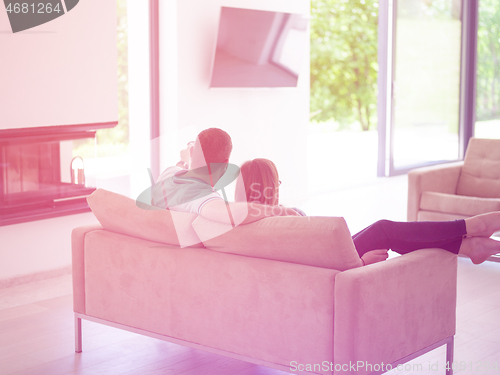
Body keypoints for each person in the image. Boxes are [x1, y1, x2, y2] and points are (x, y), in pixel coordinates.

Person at [235, 158, 500, 266]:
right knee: (384, 229)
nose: (279, 186)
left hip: (329, 259)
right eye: (277, 181)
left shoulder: (241, 221)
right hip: (334, 265)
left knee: (385, 230)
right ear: (271, 185)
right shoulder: (286, 216)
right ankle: (469, 229)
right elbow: (307, 264)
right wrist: (358, 264)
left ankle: (467, 246)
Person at [151, 128, 300, 226]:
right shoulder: (204, 198)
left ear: (191, 153)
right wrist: (280, 211)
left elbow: (180, 168)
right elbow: (232, 213)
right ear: (225, 165)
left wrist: (184, 161)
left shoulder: (168, 174)